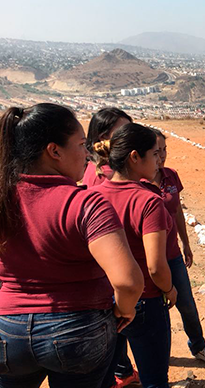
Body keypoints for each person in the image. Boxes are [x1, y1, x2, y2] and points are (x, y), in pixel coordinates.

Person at [0, 103, 143, 388]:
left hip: (7, 331)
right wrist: (124, 310)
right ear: (54, 151)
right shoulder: (86, 203)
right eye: (80, 144)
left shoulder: (4, 198)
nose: (87, 154)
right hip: (77, 330)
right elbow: (127, 281)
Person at [92, 123, 177, 388]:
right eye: (153, 153)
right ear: (134, 157)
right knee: (154, 380)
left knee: (104, 377)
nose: (158, 160)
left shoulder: (92, 195)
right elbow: (155, 267)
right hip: (145, 301)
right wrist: (170, 289)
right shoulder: (148, 202)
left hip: (102, 300)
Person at [148, 128, 205, 366]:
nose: (161, 157)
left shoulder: (170, 176)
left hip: (172, 254)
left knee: (187, 304)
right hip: (146, 258)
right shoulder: (136, 182)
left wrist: (186, 242)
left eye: (164, 150)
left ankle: (199, 347)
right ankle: (153, 357)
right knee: (153, 310)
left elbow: (177, 210)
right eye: (155, 152)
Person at [82, 108, 132, 187]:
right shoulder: (102, 175)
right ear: (104, 136)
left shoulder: (114, 167)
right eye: (123, 131)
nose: (130, 135)